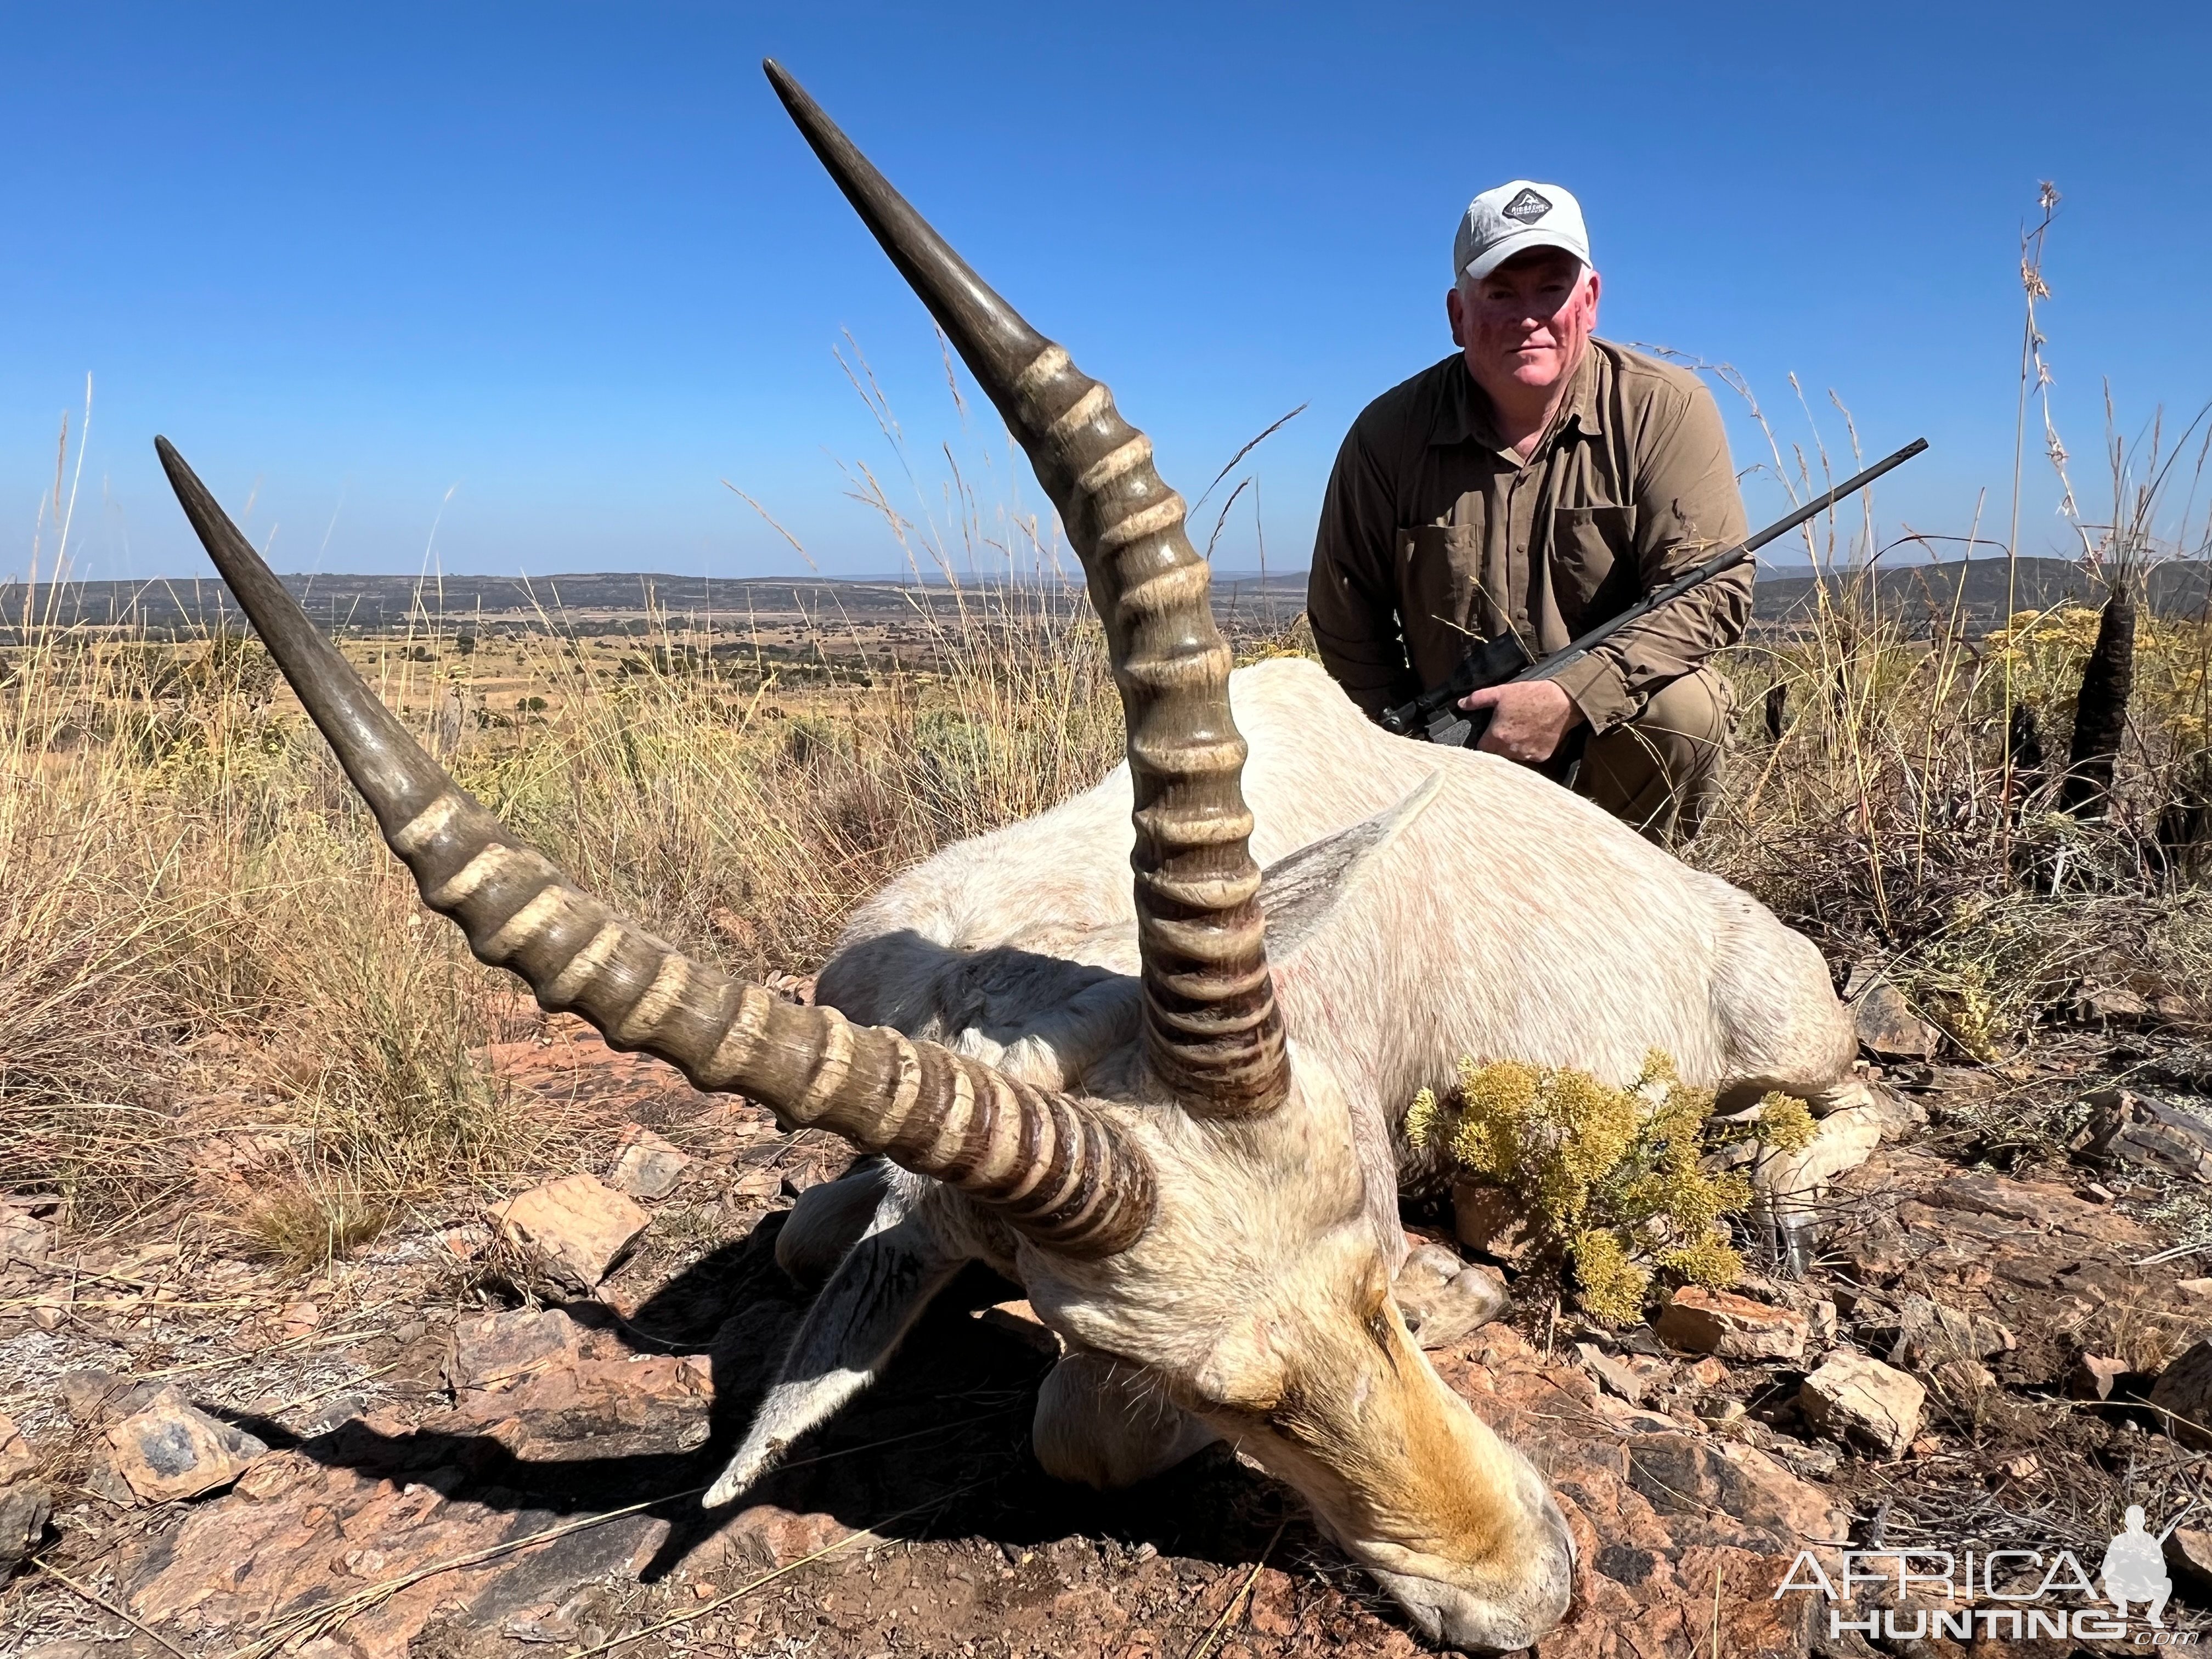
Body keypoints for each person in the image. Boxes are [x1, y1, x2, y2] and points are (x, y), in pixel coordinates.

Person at [1307, 179, 1750, 843]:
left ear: (1590, 300)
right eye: (1501, 293)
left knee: (1684, 711)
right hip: (1450, 750)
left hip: (1608, 730)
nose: (1529, 316)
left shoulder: (1666, 408)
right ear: (1458, 314)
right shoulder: (1386, 434)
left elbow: (1710, 589)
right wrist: (1403, 748)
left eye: (1552, 288)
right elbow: (1346, 622)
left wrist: (1572, 697)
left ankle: (1632, 893)